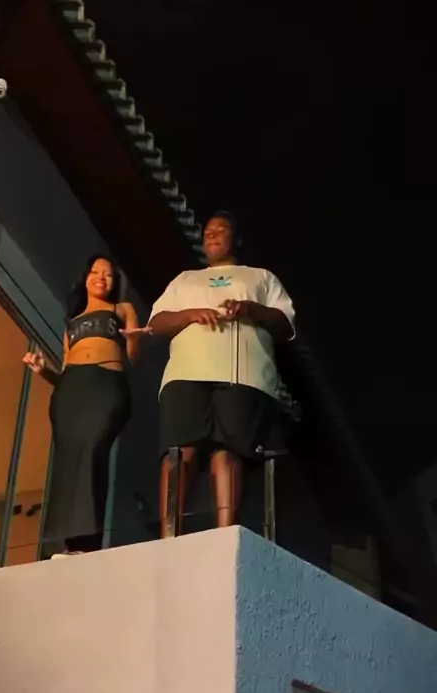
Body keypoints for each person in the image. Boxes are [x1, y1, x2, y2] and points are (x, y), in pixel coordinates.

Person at [148, 211, 296, 537]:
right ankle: (169, 535)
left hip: (242, 376)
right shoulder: (185, 279)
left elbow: (285, 324)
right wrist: (190, 314)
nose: (212, 234)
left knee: (228, 450)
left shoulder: (259, 277)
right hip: (186, 373)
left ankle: (224, 534)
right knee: (180, 451)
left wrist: (249, 308)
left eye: (221, 230)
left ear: (236, 239)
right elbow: (156, 323)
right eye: (207, 232)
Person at [22, 254, 146, 557]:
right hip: (71, 391)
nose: (101, 278)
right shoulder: (72, 324)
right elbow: (65, 372)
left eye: (108, 274)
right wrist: (43, 370)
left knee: (93, 451)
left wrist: (133, 339)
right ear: (86, 277)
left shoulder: (122, 309)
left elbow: (133, 359)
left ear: (114, 283)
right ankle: (61, 545)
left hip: (106, 386)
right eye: (95, 272)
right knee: (67, 461)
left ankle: (87, 545)